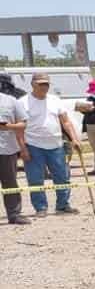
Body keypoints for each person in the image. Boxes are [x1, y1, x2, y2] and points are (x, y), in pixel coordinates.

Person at [22, 73, 83, 217]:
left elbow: (66, 121)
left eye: (47, 84)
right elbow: (19, 127)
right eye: (41, 84)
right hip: (33, 144)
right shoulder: (23, 102)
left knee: (62, 176)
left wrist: (74, 138)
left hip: (56, 145)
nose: (45, 87)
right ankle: (40, 208)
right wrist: (22, 148)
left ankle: (63, 205)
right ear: (33, 84)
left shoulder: (55, 100)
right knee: (35, 178)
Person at [0, 73, 30, 225]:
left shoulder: (11, 101)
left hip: (7, 150)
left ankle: (14, 214)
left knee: (10, 183)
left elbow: (23, 124)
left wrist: (6, 127)